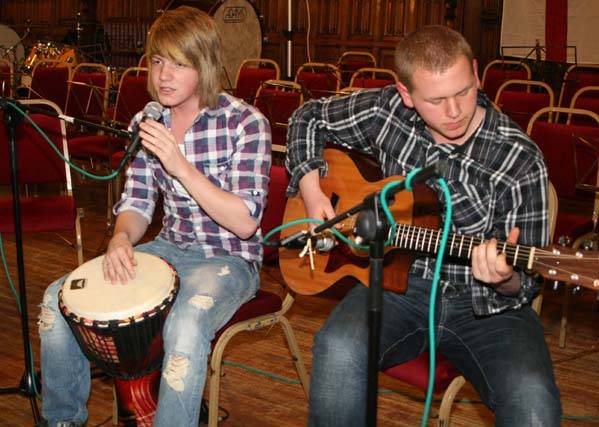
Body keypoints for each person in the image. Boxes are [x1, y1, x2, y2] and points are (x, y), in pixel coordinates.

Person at [285, 25, 561, 426]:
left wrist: (504, 279)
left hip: (486, 305)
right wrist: (312, 190)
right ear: (405, 95)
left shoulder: (519, 158)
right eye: (435, 100)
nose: (454, 112)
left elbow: (525, 285)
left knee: (533, 400)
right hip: (400, 283)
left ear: (476, 73)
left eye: (463, 91)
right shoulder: (387, 112)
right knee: (337, 347)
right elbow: (306, 117)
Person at [37, 6, 271, 427]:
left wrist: (180, 165)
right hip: (168, 247)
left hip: (229, 259)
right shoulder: (149, 121)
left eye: (179, 64)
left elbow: (245, 222)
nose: (164, 75)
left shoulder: (245, 122)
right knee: (57, 303)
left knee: (185, 325)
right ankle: (62, 420)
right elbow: (137, 203)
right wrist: (121, 238)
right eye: (159, 61)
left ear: (205, 64)